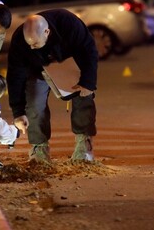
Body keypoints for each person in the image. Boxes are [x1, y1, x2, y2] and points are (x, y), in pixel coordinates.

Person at [6, 9, 98, 163]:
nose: (31, 48)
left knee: (83, 95)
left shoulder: (69, 24)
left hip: (70, 63)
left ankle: (84, 143)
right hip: (37, 69)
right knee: (34, 103)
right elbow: (15, 76)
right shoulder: (20, 40)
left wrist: (87, 82)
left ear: (47, 32)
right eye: (29, 44)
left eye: (35, 43)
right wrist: (18, 112)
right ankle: (39, 147)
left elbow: (89, 51)